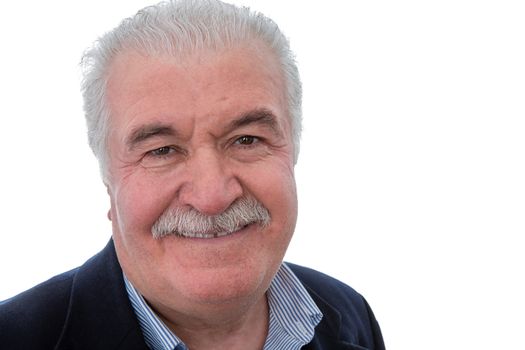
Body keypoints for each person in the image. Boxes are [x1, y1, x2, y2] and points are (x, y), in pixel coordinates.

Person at [0, 1, 385, 349]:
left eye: (247, 140)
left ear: (293, 149)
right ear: (108, 179)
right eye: (162, 150)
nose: (212, 195)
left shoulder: (350, 318)